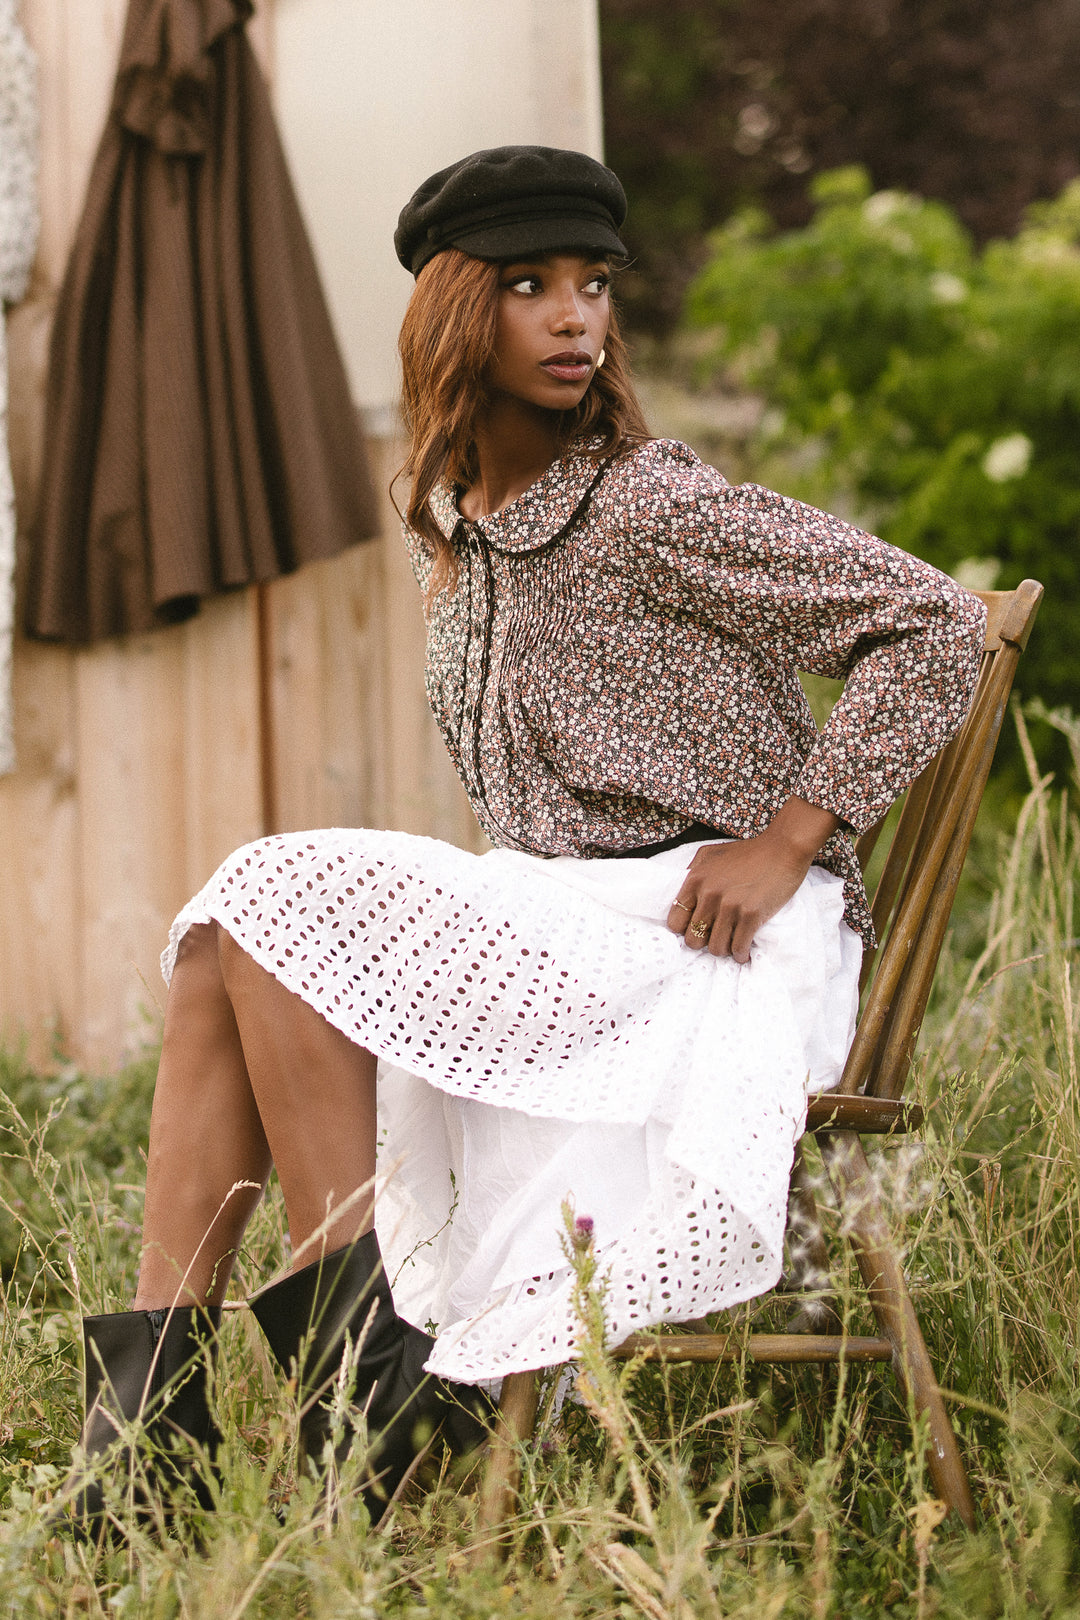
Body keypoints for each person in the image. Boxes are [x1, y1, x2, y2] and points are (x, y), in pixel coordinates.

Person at [57, 145, 985, 1533]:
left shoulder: (649, 504)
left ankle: (358, 1399)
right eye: (530, 286)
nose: (574, 319)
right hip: (583, 930)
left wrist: (793, 836)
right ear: (454, 313)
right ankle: (158, 1436)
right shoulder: (476, 532)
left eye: (594, 286)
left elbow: (938, 624)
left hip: (703, 943)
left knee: (269, 888)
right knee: (226, 943)